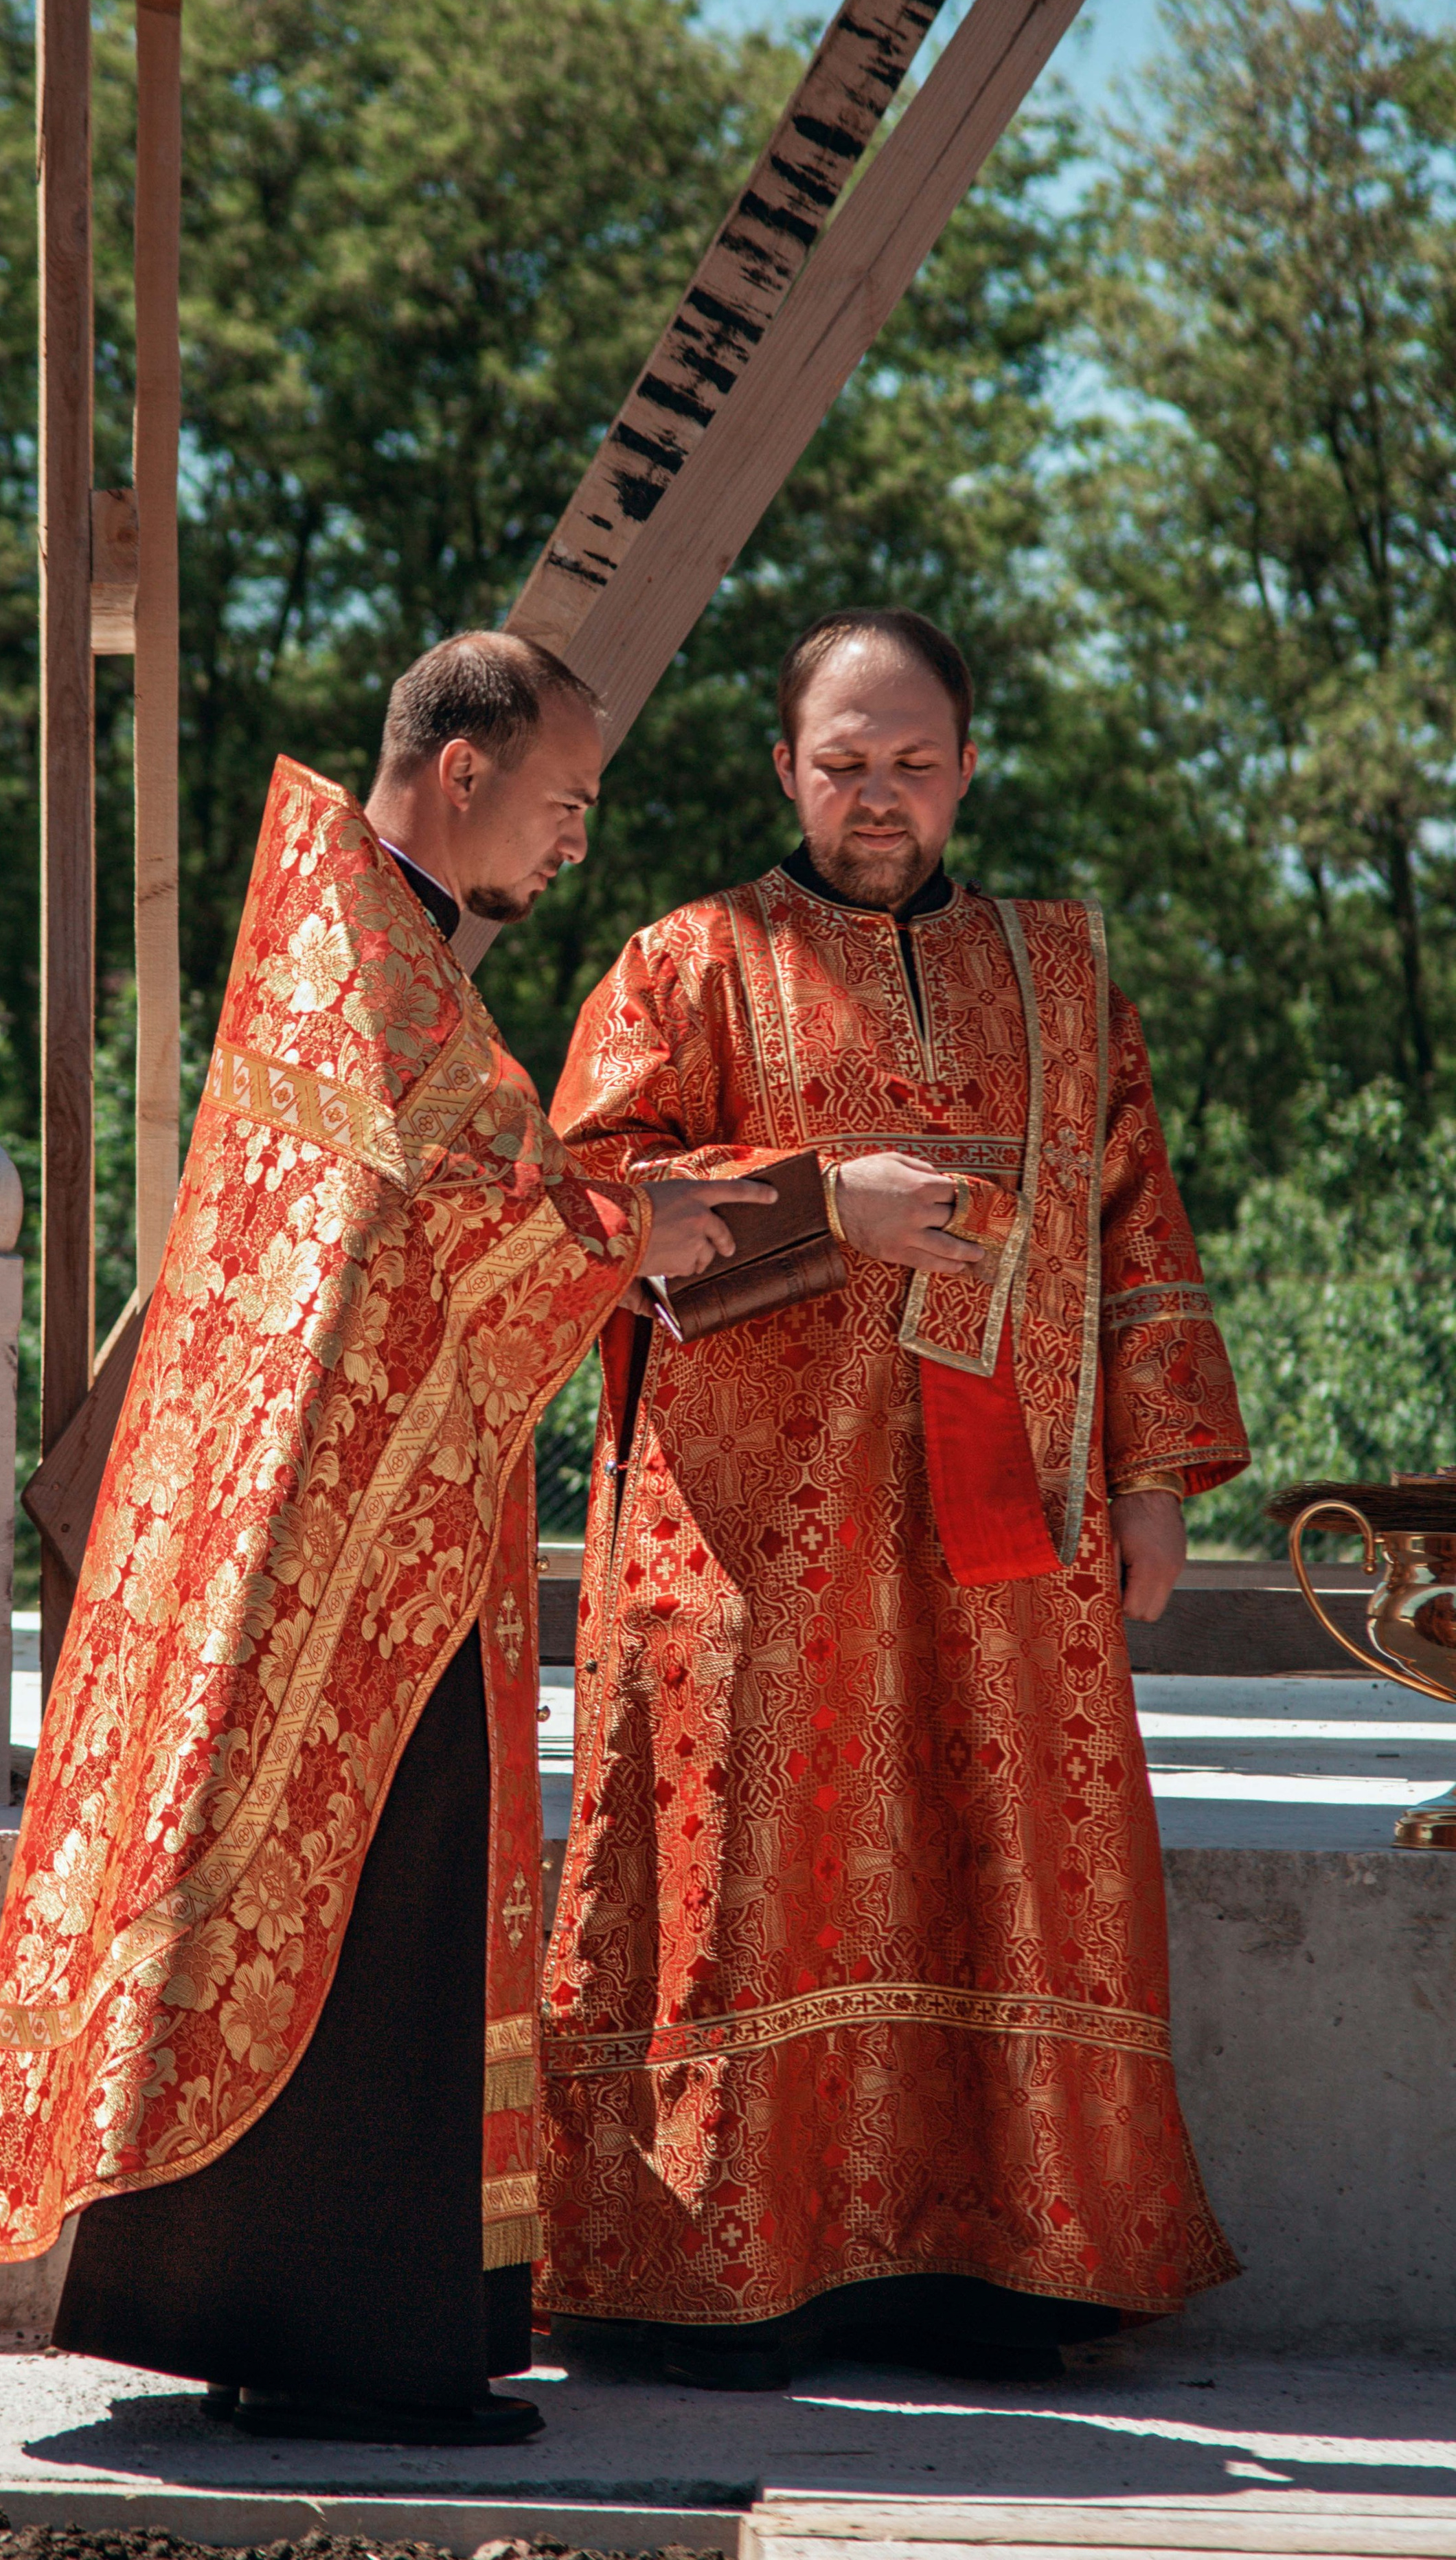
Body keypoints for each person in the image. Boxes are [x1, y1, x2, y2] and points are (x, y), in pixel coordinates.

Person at [0, 632, 772, 2446]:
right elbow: (454, 1242)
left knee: (389, 1908)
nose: (572, 847)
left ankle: (288, 2316)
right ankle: (345, 2348)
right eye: (560, 804)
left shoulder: (372, 948)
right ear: (461, 770)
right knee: (377, 1911)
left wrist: (617, 1225)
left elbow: (449, 1227)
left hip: (364, 1536)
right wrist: (665, 1224)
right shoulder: (365, 961)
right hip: (333, 1567)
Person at [539, 607, 1250, 2390]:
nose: (879, 795)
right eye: (844, 763)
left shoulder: (1065, 973)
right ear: (784, 766)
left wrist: (1158, 1476)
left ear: (967, 768)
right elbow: (585, 1205)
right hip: (747, 1542)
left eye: (914, 761)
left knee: (998, 1871)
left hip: (1006, 1551)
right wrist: (814, 1208)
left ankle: (1006, 2266)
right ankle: (711, 2272)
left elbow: (1135, 1227)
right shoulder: (682, 965)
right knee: (744, 1888)